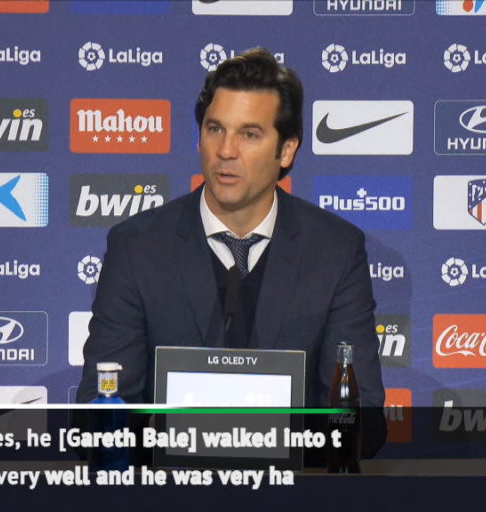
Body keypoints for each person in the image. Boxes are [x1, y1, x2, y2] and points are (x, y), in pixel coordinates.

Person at [76, 48, 385, 420]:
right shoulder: (137, 247)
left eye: (249, 134)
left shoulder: (335, 251)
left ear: (287, 150)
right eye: (215, 129)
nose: (225, 150)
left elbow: (359, 413)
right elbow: (101, 405)